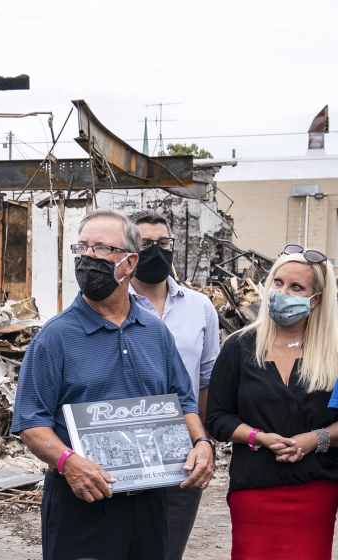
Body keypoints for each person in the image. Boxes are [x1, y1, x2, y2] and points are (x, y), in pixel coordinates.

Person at [11, 209, 214, 560]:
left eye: (102, 249)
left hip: (151, 501)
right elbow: (31, 422)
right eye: (82, 248)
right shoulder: (54, 338)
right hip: (83, 502)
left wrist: (201, 442)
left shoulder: (155, 332)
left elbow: (184, 399)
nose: (88, 258)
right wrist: (69, 463)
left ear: (129, 262)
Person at [206, 245, 338, 560]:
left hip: (314, 492)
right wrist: (257, 437)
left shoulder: (333, 355)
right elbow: (217, 417)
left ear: (315, 299)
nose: (282, 292)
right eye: (277, 282)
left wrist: (314, 439)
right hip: (252, 489)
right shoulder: (239, 347)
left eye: (296, 287)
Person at [127, 210, 219, 560]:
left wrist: (203, 441)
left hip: (182, 455)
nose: (156, 251)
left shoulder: (200, 307)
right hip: (125, 452)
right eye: (145, 244)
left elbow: (206, 380)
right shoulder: (111, 306)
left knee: (167, 551)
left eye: (163, 243)